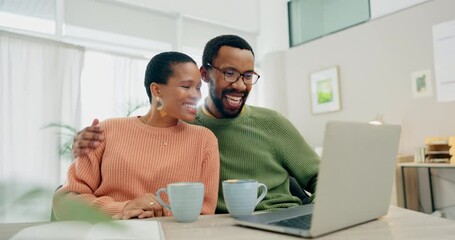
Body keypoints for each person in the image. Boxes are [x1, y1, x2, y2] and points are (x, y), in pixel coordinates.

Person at [72, 35, 320, 214]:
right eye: (230, 73)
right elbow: (146, 134)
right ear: (206, 73)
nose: (241, 85)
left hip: (281, 216)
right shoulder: (188, 126)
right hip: (224, 226)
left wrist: (318, 216)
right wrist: (90, 141)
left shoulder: (270, 123)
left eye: (247, 76)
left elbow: (321, 177)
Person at [53, 51, 220, 220]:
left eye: (198, 88)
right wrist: (123, 208)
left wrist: (154, 215)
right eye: (186, 86)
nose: (196, 95)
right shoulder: (107, 131)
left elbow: (205, 212)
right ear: (157, 90)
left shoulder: (204, 140)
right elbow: (66, 202)